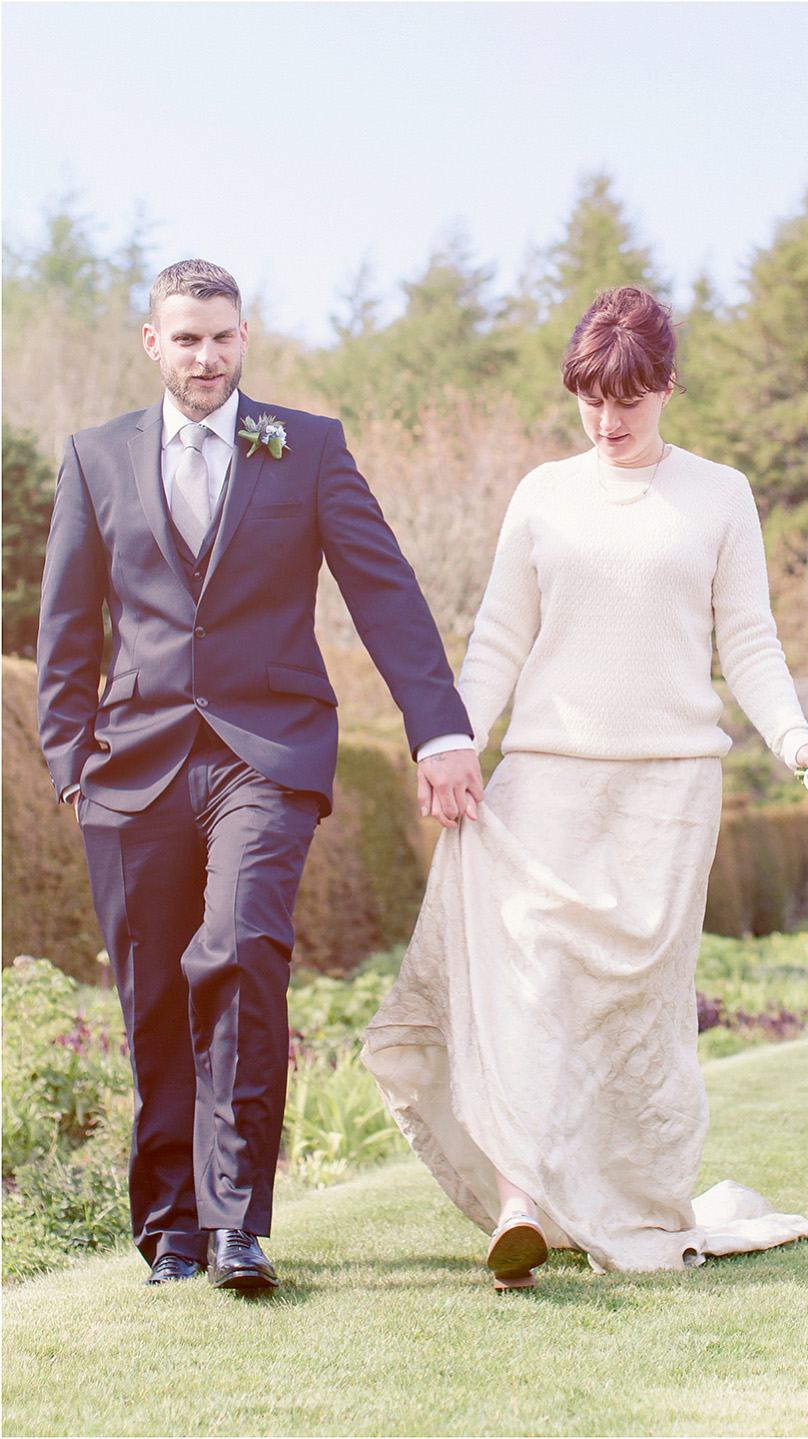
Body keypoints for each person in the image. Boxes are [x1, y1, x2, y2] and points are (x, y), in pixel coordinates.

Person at [363, 286, 808, 1290]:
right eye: (590, 401)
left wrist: (799, 743)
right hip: (542, 789)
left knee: (634, 1022)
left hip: (666, 797)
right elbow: (498, 638)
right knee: (525, 990)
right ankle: (518, 1208)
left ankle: (621, 1200)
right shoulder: (542, 494)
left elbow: (746, 640)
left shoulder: (720, 495)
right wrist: (451, 739)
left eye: (628, 400)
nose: (609, 422)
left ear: (667, 386)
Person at [36, 259, 483, 1289]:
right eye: (187, 338)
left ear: (247, 338)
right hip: (131, 766)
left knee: (242, 950)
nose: (207, 357)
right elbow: (65, 631)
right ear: (153, 341)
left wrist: (440, 730)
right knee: (151, 995)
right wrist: (72, 766)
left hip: (267, 754)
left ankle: (240, 1223)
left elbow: (388, 593)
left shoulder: (309, 447)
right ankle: (171, 1229)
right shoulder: (95, 456)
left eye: (224, 337)